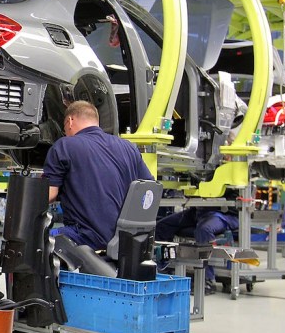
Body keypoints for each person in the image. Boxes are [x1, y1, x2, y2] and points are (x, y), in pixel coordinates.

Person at [42, 100, 154, 251]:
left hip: (84, 238)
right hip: (124, 242)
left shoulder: (64, 146)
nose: (65, 131)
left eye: (64, 127)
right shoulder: (129, 147)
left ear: (69, 121)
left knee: (37, 240)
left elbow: (49, 195)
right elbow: (149, 190)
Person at [154, 199, 240, 294]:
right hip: (197, 212)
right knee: (162, 226)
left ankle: (208, 279)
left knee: (204, 229)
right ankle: (166, 272)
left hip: (224, 214)